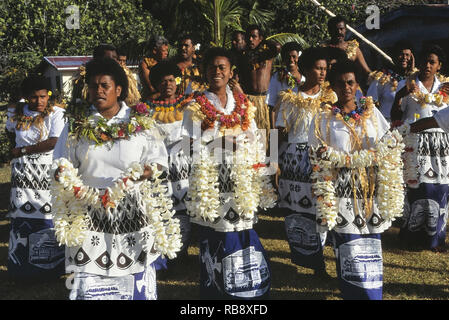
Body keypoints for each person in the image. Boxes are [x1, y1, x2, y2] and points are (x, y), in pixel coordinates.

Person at [52, 58, 181, 300]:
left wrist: (137, 176)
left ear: (118, 90)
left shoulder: (140, 122)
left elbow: (159, 162)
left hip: (132, 210)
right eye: (93, 86)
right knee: (91, 276)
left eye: (104, 86)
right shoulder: (77, 126)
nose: (98, 91)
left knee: (133, 272)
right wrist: (63, 174)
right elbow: (61, 162)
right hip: (89, 211)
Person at [182, 47, 277, 299]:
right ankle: (218, 291)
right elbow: (185, 147)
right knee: (215, 235)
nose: (217, 71)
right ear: (204, 72)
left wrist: (263, 165)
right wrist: (217, 144)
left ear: (231, 72)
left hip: (241, 184)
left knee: (242, 231)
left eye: (222, 67)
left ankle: (248, 290)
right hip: (212, 184)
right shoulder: (195, 106)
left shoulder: (244, 105)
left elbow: (256, 139)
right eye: (212, 67)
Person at [308, 60, 405, 299]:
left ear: (357, 85)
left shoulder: (373, 114)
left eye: (350, 82)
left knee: (370, 244)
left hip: (370, 190)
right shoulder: (323, 119)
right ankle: (353, 293)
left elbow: (387, 143)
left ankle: (373, 295)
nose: (347, 88)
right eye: (341, 84)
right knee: (349, 243)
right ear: (333, 87)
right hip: (341, 192)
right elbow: (316, 153)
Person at [275, 47, 336, 277]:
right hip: (293, 161)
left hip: (321, 160)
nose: (322, 73)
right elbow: (277, 133)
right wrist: (273, 162)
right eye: (318, 68)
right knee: (297, 212)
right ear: (306, 69)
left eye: (325, 69)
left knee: (321, 209)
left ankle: (318, 260)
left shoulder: (331, 97)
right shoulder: (290, 98)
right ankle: (307, 258)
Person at [5, 74, 66, 279]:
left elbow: (54, 141)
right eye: (33, 97)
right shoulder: (18, 114)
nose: (39, 101)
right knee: (23, 215)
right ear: (26, 97)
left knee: (46, 216)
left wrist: (23, 151)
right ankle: (22, 268)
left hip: (45, 176)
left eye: (43, 96)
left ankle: (50, 267)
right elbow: (12, 135)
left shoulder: (57, 113)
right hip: (22, 178)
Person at [390, 45, 449, 252]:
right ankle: (410, 235)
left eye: (432, 62)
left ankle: (434, 238)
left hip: (440, 146)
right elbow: (396, 116)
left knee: (438, 188)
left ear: (439, 66)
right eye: (425, 60)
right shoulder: (408, 84)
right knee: (417, 187)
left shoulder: (445, 87)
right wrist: (401, 95)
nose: (427, 65)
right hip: (415, 142)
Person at [147, 61, 195, 259]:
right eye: (163, 81)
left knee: (185, 204)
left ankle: (183, 249)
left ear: (177, 82)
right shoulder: (148, 109)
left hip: (184, 162)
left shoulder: (189, 105)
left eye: (171, 80)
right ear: (157, 85)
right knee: (164, 205)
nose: (168, 84)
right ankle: (166, 250)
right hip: (161, 164)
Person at [237, 25, 279, 136]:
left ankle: (273, 153)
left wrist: (263, 42)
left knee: (269, 134)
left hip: (266, 101)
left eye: (254, 36)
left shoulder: (267, 55)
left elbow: (278, 47)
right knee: (250, 134)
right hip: (250, 101)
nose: (250, 39)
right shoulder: (243, 57)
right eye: (248, 37)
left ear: (260, 38)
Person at [367, 41, 417, 122]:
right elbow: (370, 102)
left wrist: (412, 72)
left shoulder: (416, 78)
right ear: (394, 56)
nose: (404, 57)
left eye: (407, 55)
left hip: (409, 126)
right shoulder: (382, 77)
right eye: (401, 54)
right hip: (388, 124)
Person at [267, 41, 305, 128]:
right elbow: (272, 107)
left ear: (299, 57)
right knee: (275, 142)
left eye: (294, 56)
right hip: (281, 126)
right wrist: (274, 136)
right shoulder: (277, 77)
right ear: (284, 59)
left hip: (299, 127)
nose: (291, 60)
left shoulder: (305, 78)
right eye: (288, 57)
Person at [139, 35, 170, 101]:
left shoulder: (166, 63)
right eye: (164, 51)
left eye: (167, 50)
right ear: (155, 50)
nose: (166, 53)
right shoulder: (145, 64)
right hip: (151, 100)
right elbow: (151, 88)